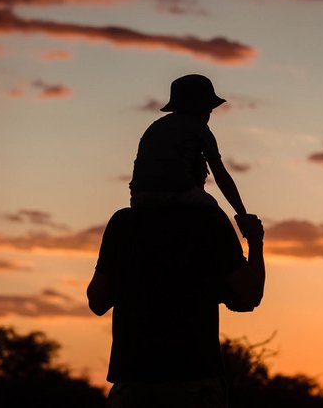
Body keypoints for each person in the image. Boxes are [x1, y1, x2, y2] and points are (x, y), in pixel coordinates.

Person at [86, 206, 265, 408]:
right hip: (195, 386)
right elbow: (248, 297)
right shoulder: (209, 221)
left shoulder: (124, 223)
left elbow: (97, 301)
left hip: (134, 386)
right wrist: (255, 240)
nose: (131, 183)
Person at [129, 74, 248, 217]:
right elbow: (220, 174)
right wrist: (242, 213)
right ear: (199, 107)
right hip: (178, 193)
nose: (210, 111)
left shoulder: (155, 126)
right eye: (208, 107)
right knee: (214, 214)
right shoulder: (198, 128)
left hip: (139, 198)